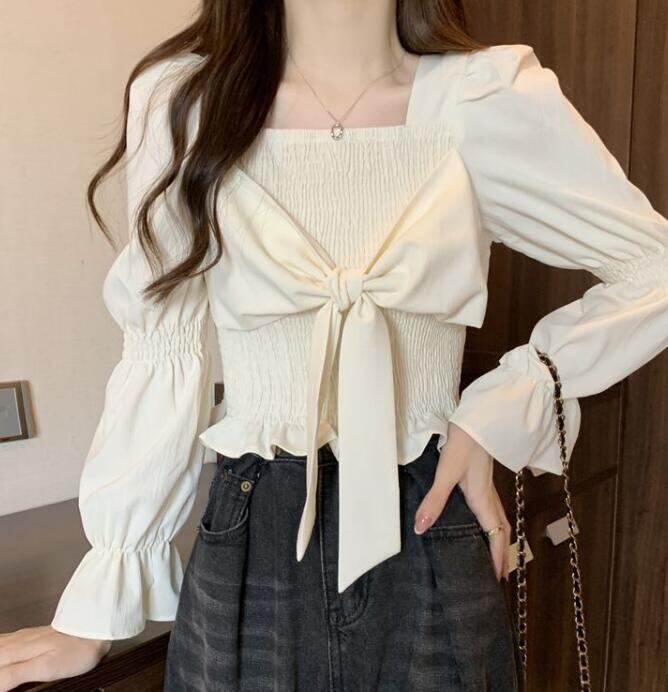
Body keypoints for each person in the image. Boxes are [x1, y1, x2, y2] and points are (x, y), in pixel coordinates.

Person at [2, 1, 667, 690]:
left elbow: (656, 269)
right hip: (255, 524)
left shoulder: (486, 98)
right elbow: (160, 346)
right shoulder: (188, 102)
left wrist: (498, 410)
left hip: (427, 513)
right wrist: (99, 605)